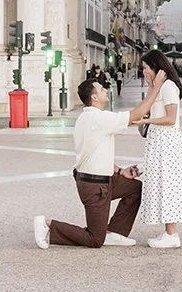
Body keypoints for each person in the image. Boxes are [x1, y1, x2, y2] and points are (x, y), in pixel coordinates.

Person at [35, 72, 163, 250]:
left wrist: (120, 171)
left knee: (135, 188)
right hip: (94, 186)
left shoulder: (88, 118)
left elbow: (96, 154)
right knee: (95, 239)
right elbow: (136, 115)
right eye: (102, 89)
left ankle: (115, 232)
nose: (106, 90)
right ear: (94, 97)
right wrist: (155, 87)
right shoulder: (98, 118)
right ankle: (48, 226)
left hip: (101, 180)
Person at [138, 49, 182, 249]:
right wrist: (151, 87)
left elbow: (170, 119)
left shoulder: (169, 86)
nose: (143, 71)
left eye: (146, 67)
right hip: (158, 140)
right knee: (161, 184)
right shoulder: (157, 87)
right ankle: (168, 231)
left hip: (167, 141)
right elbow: (147, 109)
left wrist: (146, 121)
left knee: (168, 184)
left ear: (156, 67)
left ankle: (172, 234)